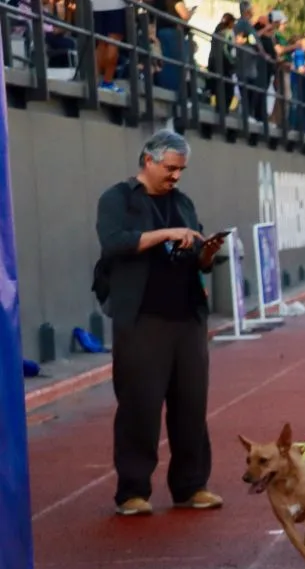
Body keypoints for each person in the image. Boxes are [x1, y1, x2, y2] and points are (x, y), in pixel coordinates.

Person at [94, 131, 227, 517]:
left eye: (181, 170)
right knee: (140, 406)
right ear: (148, 161)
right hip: (141, 319)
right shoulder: (117, 199)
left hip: (187, 318)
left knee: (191, 405)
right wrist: (167, 234)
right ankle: (132, 491)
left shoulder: (182, 203)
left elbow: (194, 255)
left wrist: (207, 253)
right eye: (170, 168)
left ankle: (191, 486)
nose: (176, 177)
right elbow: (114, 243)